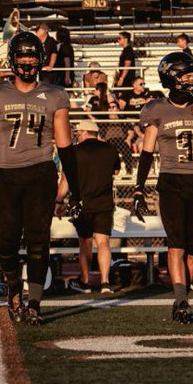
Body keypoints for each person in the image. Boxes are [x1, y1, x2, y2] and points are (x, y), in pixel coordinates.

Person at [0, 31, 75, 326]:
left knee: (38, 241)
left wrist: (75, 189)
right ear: (12, 60)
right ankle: (14, 283)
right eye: (22, 56)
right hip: (7, 173)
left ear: (40, 60)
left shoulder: (55, 94)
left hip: (41, 173)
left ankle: (35, 304)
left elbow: (65, 146)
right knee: (4, 242)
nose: (27, 62)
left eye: (32, 57)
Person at [133, 51, 193, 324]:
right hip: (170, 181)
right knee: (176, 243)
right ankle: (181, 300)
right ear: (172, 78)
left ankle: (184, 294)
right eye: (187, 75)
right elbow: (147, 152)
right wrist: (139, 188)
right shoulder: (156, 109)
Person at [64, 120, 120, 294]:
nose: (77, 136)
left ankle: (85, 282)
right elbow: (116, 171)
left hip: (82, 202)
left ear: (83, 132)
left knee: (85, 242)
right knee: (103, 242)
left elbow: (66, 179)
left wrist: (58, 200)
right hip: (104, 201)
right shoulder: (111, 149)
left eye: (78, 133)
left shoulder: (75, 151)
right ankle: (105, 282)